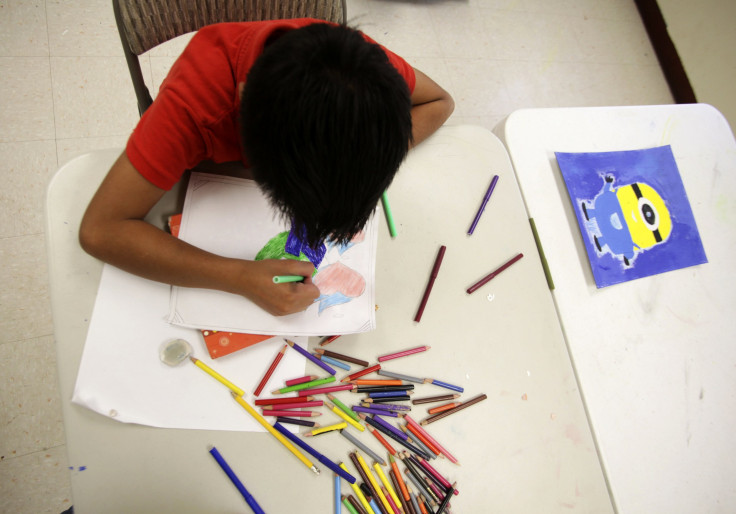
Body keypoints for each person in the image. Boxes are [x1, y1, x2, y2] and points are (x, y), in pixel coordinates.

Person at [79, 18, 454, 317]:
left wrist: (373, 157)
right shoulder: (194, 106)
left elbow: (440, 102)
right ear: (244, 116)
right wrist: (240, 277)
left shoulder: (365, 72)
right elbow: (100, 230)